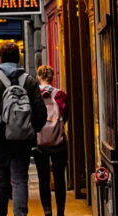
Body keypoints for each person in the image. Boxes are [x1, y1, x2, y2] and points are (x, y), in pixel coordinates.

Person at [0, 42, 47, 216]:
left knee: (1, 179)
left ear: (0, 58)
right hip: (22, 138)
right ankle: (20, 213)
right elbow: (40, 111)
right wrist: (32, 129)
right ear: (19, 58)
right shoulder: (30, 81)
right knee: (20, 179)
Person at [33, 65, 68, 216]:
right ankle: (60, 211)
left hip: (39, 141)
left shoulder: (33, 95)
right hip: (58, 142)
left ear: (38, 77)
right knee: (60, 177)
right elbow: (65, 117)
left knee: (43, 178)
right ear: (53, 78)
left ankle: (47, 211)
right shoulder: (61, 95)